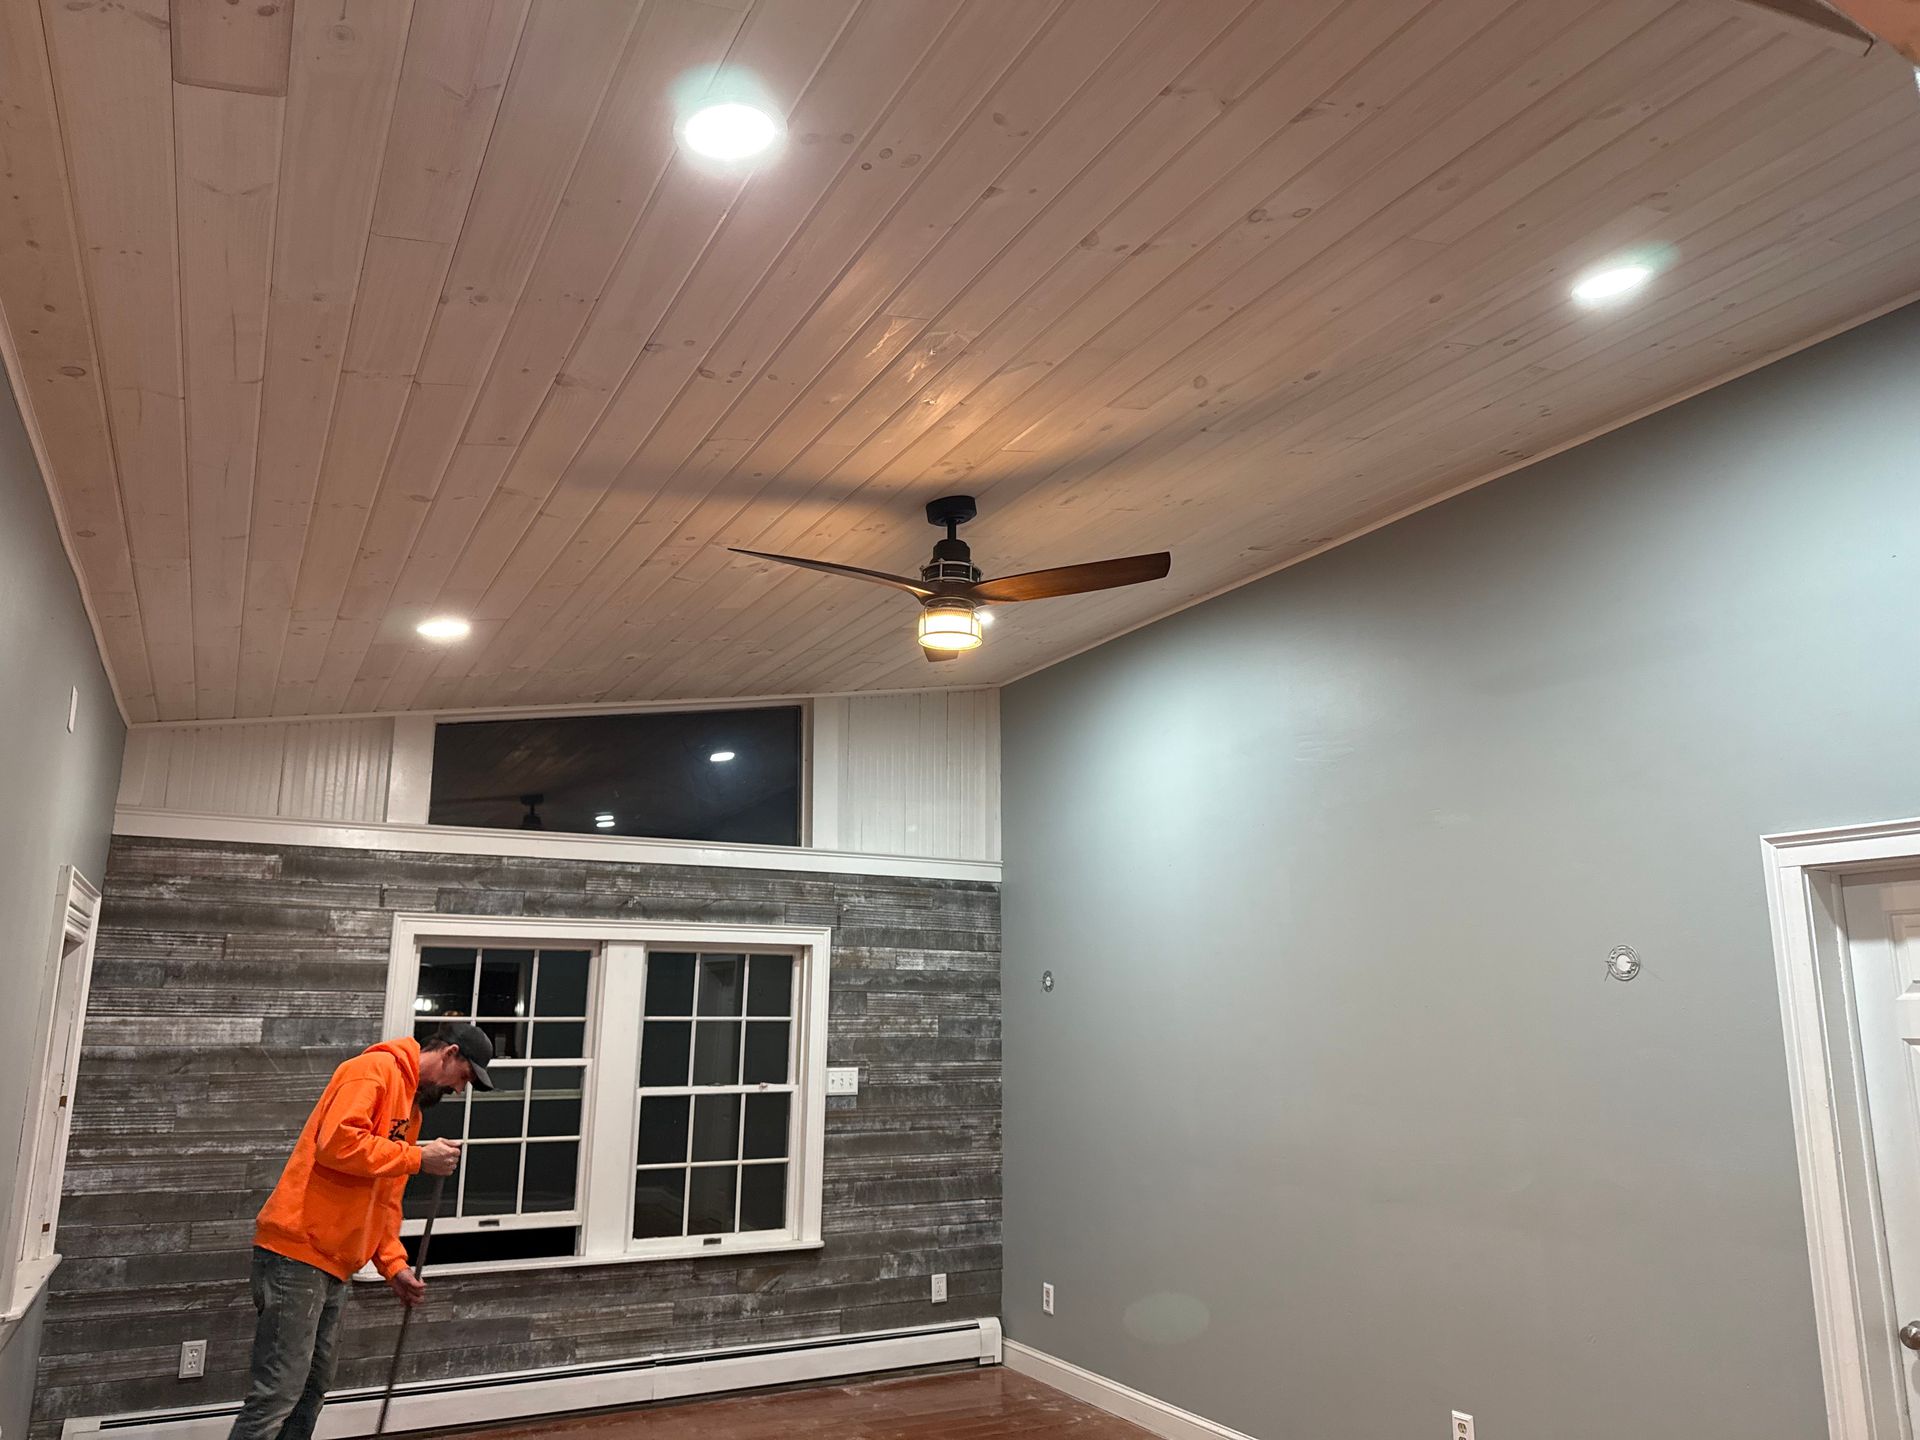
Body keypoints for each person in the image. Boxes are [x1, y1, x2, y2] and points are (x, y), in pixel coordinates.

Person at [227, 1023, 494, 1440]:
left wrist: (394, 1266)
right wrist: (417, 1156)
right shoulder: (372, 1070)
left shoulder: (412, 1111)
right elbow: (337, 1144)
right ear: (449, 1053)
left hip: (335, 1262)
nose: (460, 1090)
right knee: (278, 1392)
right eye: (464, 1077)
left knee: (313, 1388)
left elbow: (383, 1201)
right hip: (297, 1252)